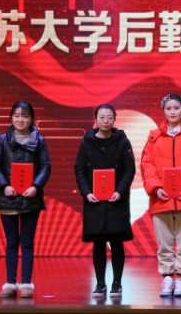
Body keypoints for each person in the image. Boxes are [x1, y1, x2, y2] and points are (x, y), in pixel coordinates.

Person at [140, 94, 181, 298]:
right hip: (161, 198)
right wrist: (155, 188)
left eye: (176, 108)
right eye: (168, 108)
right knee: (165, 243)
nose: (172, 112)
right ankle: (167, 278)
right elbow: (147, 165)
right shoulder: (154, 137)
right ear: (163, 111)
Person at [0, 101, 52, 299]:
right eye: (16, 115)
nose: (20, 119)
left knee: (27, 242)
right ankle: (10, 283)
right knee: (11, 242)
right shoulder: (2, 140)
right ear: (11, 117)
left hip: (30, 198)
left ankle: (25, 283)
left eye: (25, 116)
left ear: (32, 119)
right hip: (7, 198)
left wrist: (36, 187)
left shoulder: (39, 141)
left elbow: (46, 166)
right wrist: (4, 186)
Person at [74, 104, 136, 297]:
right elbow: (79, 170)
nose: (105, 121)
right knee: (98, 242)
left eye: (109, 117)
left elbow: (129, 170)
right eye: (101, 117)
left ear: (114, 119)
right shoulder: (87, 142)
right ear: (95, 119)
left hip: (116, 200)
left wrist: (120, 191)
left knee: (116, 242)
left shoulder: (122, 142)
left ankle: (117, 283)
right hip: (94, 201)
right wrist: (86, 193)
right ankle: (100, 283)